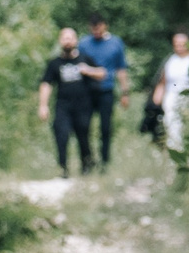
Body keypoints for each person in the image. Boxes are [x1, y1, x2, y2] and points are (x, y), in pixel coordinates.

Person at [37, 28, 105, 177]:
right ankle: (63, 168)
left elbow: (102, 73)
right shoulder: (54, 63)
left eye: (70, 38)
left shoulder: (84, 59)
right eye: (64, 38)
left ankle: (86, 165)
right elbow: (46, 83)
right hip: (63, 106)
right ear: (60, 41)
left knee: (83, 136)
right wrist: (43, 105)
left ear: (76, 41)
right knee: (61, 135)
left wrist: (88, 71)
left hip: (83, 105)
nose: (67, 41)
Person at [79, 18, 128, 172]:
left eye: (98, 27)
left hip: (106, 90)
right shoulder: (84, 43)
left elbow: (121, 69)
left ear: (105, 25)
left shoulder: (115, 43)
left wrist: (125, 92)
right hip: (87, 92)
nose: (96, 31)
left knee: (105, 128)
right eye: (93, 28)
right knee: (84, 126)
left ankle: (105, 161)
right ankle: (87, 160)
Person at [158, 33, 189, 151]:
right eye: (177, 44)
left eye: (182, 44)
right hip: (172, 96)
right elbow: (162, 81)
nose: (179, 47)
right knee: (172, 126)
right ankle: (175, 153)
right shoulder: (170, 60)